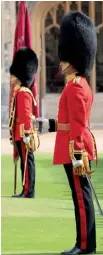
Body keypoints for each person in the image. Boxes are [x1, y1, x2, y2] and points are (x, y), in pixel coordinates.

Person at [36, 11, 97, 255]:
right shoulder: (77, 85)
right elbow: (68, 122)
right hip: (73, 147)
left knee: (81, 200)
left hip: (76, 150)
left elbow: (79, 126)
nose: (60, 63)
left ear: (73, 59)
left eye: (64, 59)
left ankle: (84, 245)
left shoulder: (76, 88)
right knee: (79, 198)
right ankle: (85, 243)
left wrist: (78, 154)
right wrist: (48, 124)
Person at [8, 47, 38, 199]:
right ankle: (25, 189)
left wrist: (26, 134)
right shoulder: (19, 92)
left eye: (13, 75)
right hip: (19, 133)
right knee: (24, 164)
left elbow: (26, 115)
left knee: (27, 163)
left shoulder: (23, 93)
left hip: (24, 134)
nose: (11, 78)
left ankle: (28, 191)